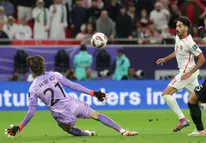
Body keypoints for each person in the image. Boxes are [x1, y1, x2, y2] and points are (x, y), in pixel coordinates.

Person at [5, 55, 138, 137]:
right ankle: (123, 131)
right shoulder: (55, 75)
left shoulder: (33, 88)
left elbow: (31, 112)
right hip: (74, 105)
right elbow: (74, 86)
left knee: (68, 130)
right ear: (43, 65)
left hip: (62, 116)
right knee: (97, 115)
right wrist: (94, 93)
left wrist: (20, 127)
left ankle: (86, 133)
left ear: (31, 69)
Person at [156, 16, 206, 133]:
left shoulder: (190, 43)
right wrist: (165, 59)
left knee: (165, 95)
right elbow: (177, 51)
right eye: (176, 26)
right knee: (200, 102)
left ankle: (182, 119)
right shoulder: (177, 38)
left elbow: (201, 58)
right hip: (189, 75)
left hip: (186, 73)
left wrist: (190, 72)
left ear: (186, 27)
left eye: (180, 26)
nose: (177, 28)